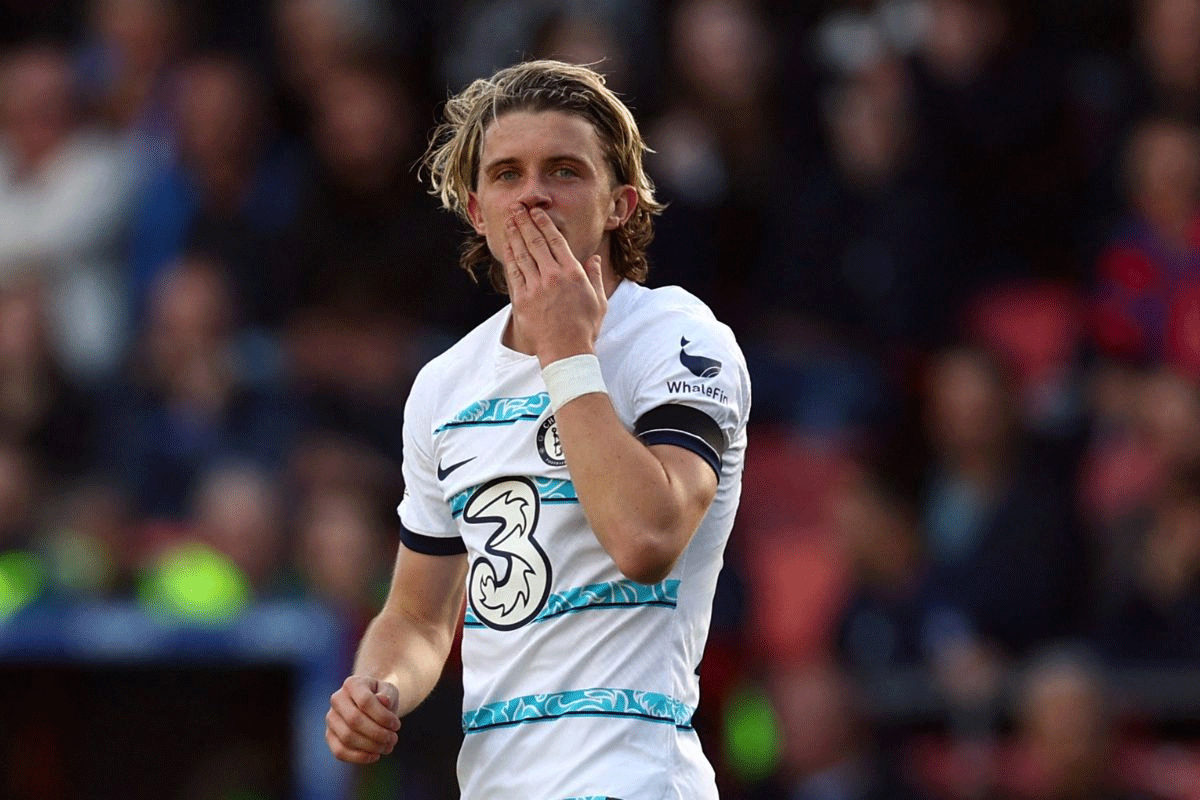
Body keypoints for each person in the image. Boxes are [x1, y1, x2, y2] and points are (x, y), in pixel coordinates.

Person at [324, 59, 751, 800]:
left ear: (619, 204)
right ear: (476, 208)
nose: (533, 195)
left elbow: (647, 540)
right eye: (507, 174)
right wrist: (378, 684)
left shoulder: (681, 341)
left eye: (563, 171)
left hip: (636, 778)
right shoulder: (444, 386)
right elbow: (421, 616)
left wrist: (565, 351)